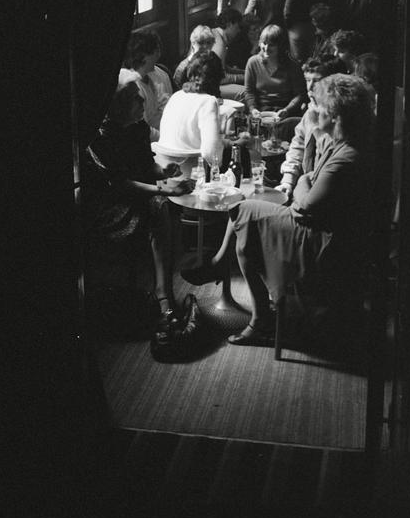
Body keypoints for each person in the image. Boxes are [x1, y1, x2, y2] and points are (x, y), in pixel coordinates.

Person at [182, 73, 376, 345]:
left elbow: (305, 205)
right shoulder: (345, 142)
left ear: (335, 115)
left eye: (317, 106)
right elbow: (307, 183)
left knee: (243, 213)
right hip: (325, 230)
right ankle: (253, 309)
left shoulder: (346, 157)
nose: (312, 110)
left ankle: (253, 308)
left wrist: (302, 183)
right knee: (245, 216)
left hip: (322, 243)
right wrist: (302, 182)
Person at [82, 71, 196, 328]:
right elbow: (120, 184)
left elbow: (148, 166)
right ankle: (163, 294)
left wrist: (164, 173)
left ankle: (163, 289)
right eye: (135, 99)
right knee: (161, 206)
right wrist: (164, 189)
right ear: (118, 106)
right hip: (110, 204)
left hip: (139, 192)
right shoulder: (98, 137)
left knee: (164, 205)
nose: (142, 103)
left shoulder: (138, 127)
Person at [156, 52, 250, 171]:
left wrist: (228, 143)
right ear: (217, 78)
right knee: (241, 153)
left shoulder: (176, 97)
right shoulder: (208, 101)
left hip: (167, 168)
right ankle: (251, 185)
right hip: (194, 172)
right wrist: (236, 146)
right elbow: (211, 154)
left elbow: (191, 139)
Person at [276, 56, 344, 200]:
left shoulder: (339, 118)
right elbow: (298, 145)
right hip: (303, 188)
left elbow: (331, 154)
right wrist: (287, 181)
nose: (310, 86)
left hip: (325, 196)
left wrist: (316, 124)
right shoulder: (310, 111)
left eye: (317, 81)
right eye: (308, 80)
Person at [243, 24, 306, 120]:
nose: (266, 48)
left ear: (280, 46)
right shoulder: (253, 62)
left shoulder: (292, 66)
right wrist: (253, 109)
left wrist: (287, 110)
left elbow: (299, 95)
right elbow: (249, 92)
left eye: (271, 45)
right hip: (261, 110)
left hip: (285, 110)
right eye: (264, 43)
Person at [122, 31, 172, 141]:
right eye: (155, 51)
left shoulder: (151, 78)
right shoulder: (133, 86)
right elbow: (143, 128)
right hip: (152, 142)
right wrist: (166, 138)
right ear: (144, 55)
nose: (159, 54)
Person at [172, 24, 216, 90]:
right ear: (193, 43)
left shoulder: (211, 61)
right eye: (201, 43)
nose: (205, 47)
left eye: (208, 43)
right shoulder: (182, 68)